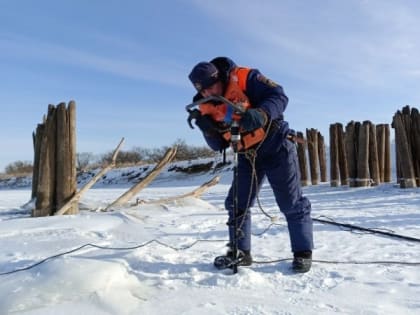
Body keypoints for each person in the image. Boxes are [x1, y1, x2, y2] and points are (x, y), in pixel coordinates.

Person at [187, 57, 314, 273]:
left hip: (276, 147)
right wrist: (207, 129)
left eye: (210, 87)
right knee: (237, 204)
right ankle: (241, 253)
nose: (208, 93)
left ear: (218, 77)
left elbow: (279, 96)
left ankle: (303, 253)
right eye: (203, 91)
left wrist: (262, 113)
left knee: (291, 203)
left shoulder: (247, 77)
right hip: (247, 156)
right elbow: (218, 145)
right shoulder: (204, 105)